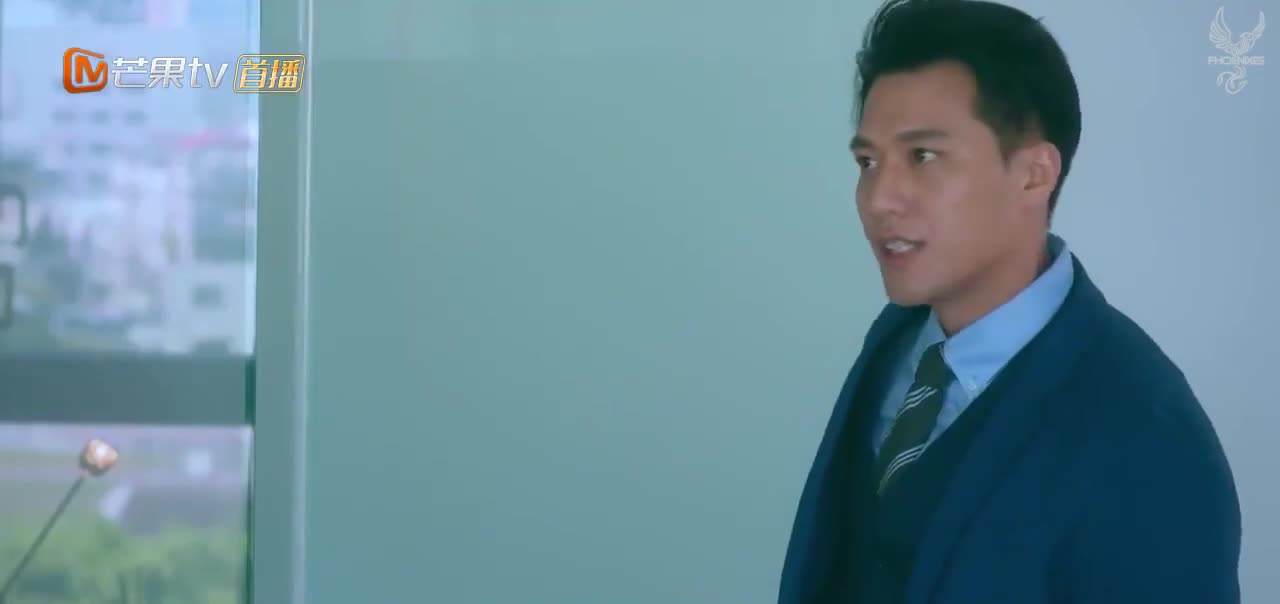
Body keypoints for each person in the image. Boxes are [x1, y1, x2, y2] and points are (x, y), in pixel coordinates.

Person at [776, 1, 1242, 603]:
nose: (878, 197)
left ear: (1034, 174)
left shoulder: (1148, 435)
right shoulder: (896, 341)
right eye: (868, 161)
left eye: (923, 156)